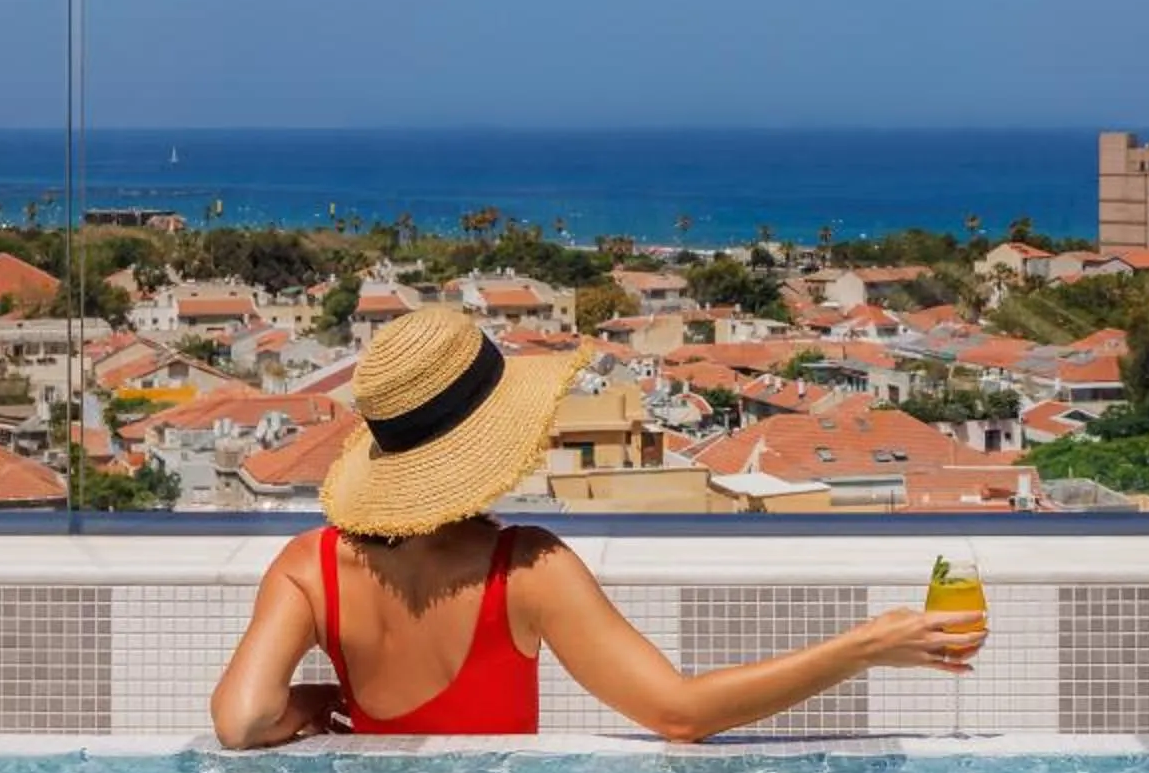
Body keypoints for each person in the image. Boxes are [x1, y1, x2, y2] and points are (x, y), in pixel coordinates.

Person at [210, 305, 983, 747]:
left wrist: (310, 703)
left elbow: (242, 722)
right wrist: (864, 647)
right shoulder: (526, 569)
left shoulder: (307, 566)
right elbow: (678, 713)